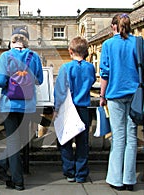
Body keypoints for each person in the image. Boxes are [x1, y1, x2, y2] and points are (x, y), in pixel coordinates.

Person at [0, 27, 43, 191]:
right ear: (26, 42)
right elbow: (39, 79)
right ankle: (0, 165)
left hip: (9, 104)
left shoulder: (6, 56)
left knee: (14, 141)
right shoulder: (34, 57)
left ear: (11, 42)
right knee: (18, 140)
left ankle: (17, 180)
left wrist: (9, 82)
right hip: (27, 105)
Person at [99, 14, 138, 191]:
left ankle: (116, 179)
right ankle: (129, 179)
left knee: (119, 137)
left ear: (114, 26)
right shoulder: (137, 43)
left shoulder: (107, 45)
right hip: (135, 94)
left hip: (115, 94)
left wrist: (101, 95)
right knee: (132, 137)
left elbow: (104, 74)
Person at [53, 36, 96, 183]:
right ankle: (81, 173)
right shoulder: (90, 67)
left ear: (70, 51)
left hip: (68, 108)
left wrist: (56, 108)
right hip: (84, 107)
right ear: (86, 52)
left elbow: (60, 90)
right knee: (82, 142)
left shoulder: (66, 68)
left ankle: (69, 171)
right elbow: (91, 81)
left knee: (65, 140)